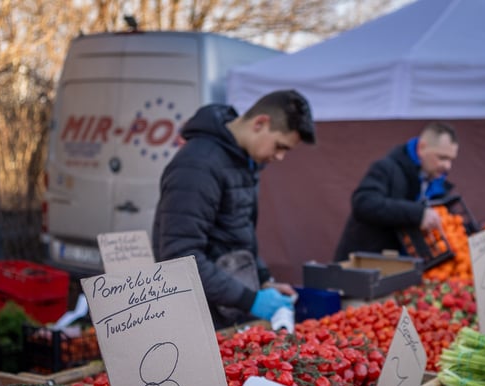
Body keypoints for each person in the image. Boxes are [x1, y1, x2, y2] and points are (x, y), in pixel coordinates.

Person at [152, 89, 316, 330]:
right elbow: (180, 257)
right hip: (200, 317)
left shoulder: (244, 161)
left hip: (225, 309)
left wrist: (262, 282)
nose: (280, 157)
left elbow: (239, 232)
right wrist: (251, 300)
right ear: (260, 123)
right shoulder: (198, 165)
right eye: (280, 146)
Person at [333, 122, 459, 261]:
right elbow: (363, 203)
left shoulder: (436, 184)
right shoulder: (386, 168)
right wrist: (418, 214)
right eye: (442, 158)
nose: (447, 166)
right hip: (362, 266)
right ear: (421, 148)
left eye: (451, 160)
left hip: (406, 268)